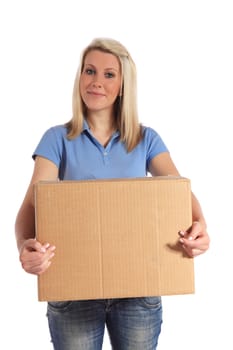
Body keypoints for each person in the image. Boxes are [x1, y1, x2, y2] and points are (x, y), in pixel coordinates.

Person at [15, 37, 210, 350]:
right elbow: (32, 204)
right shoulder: (57, 139)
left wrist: (199, 225)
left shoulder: (146, 140)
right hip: (73, 290)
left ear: (123, 85)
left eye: (109, 74)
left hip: (138, 290)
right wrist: (26, 246)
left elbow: (179, 190)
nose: (96, 81)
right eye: (89, 71)